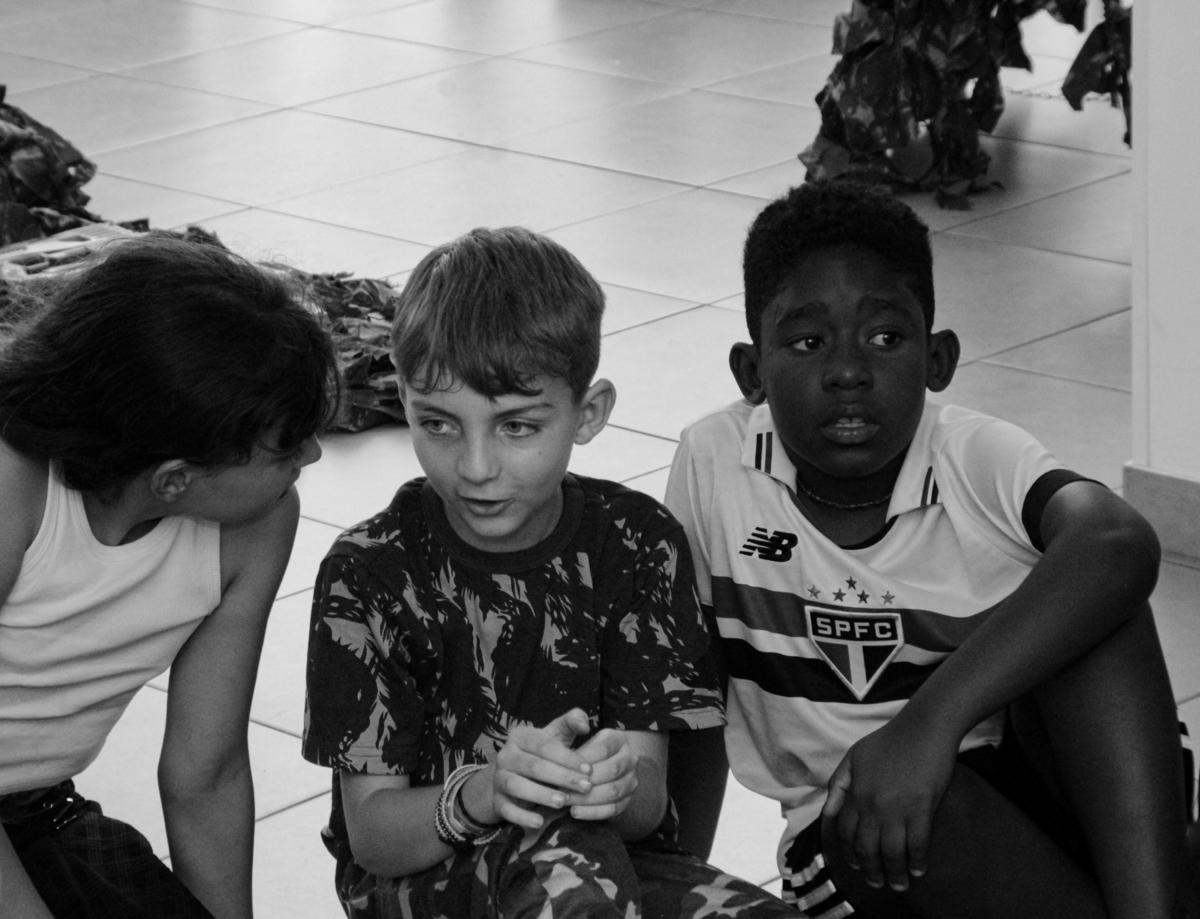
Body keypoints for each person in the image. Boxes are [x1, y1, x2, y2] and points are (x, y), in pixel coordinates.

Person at [664, 180, 1197, 919]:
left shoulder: (971, 454)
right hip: (853, 840)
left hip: (1018, 791)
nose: (848, 371)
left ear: (938, 358)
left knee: (1101, 605)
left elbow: (1118, 539)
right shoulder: (715, 463)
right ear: (752, 372)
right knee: (905, 808)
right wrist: (676, 874)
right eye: (809, 342)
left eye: (885, 338)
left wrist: (926, 726)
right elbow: (689, 685)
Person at [301, 226, 796, 919]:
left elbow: (648, 803)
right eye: (438, 424)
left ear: (587, 414)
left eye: (517, 426)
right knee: (563, 863)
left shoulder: (638, 542)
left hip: (612, 859)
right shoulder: (368, 572)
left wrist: (611, 786)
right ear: (404, 400)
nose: (475, 467)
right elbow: (375, 838)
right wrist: (485, 791)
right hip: (425, 877)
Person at [0, 235, 336, 919]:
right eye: (285, 446)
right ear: (174, 480)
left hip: (29, 811)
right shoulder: (13, 482)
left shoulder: (258, 522)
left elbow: (205, 773)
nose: (313, 453)